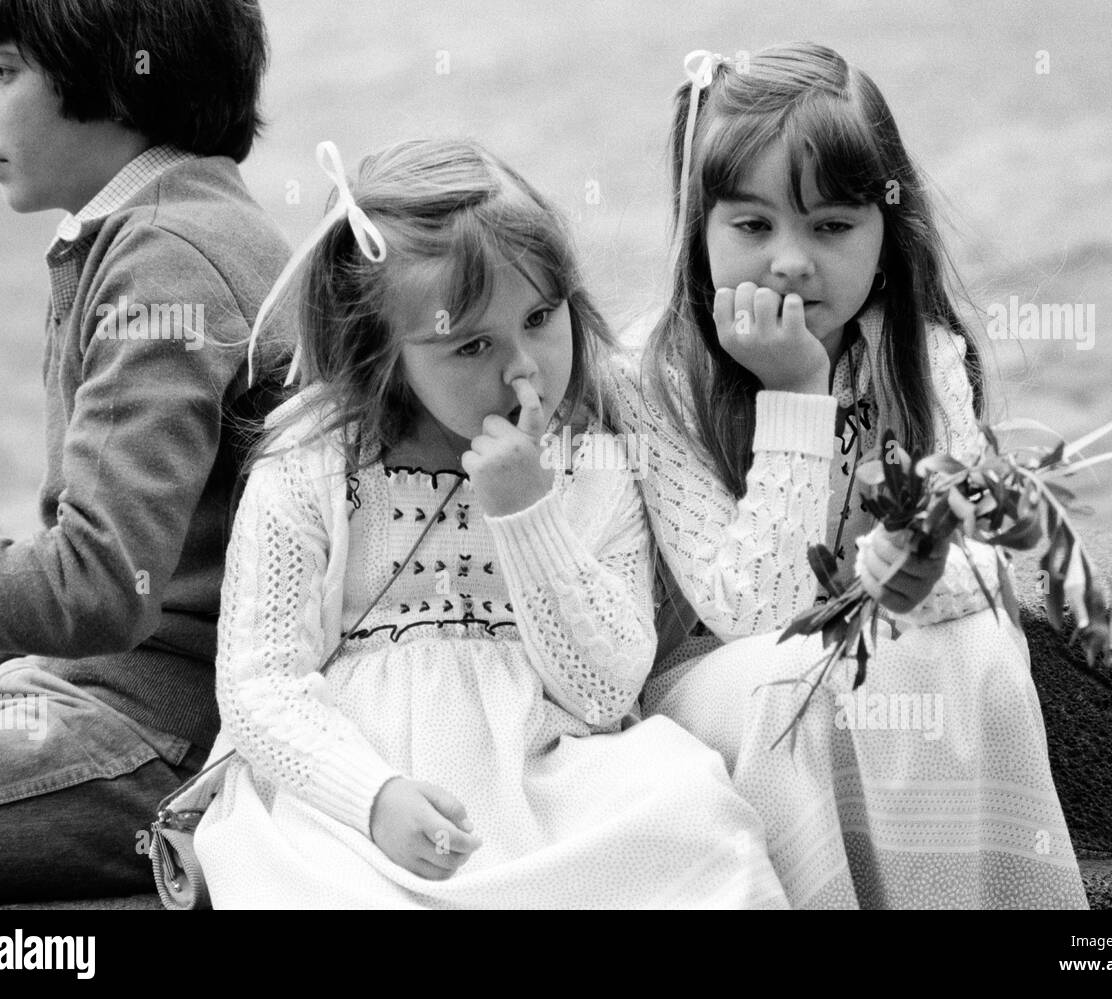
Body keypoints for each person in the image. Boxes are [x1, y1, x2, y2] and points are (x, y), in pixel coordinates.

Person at [190, 138, 787, 909]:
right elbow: (258, 683)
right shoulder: (310, 465)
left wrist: (529, 513)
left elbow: (605, 692)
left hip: (548, 768)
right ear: (381, 354)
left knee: (691, 824)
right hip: (355, 790)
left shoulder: (589, 462)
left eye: (541, 316)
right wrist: (371, 796)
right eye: (471, 344)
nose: (525, 368)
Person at [610, 42, 1088, 909]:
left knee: (973, 649)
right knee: (798, 681)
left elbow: (978, 564)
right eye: (752, 226)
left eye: (831, 226)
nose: (790, 260)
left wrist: (926, 559)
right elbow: (754, 616)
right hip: (720, 688)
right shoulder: (656, 379)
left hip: (875, 659)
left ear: (885, 229)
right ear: (697, 230)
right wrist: (795, 394)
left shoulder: (916, 355)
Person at [0, 0, 292, 903]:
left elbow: (100, 586)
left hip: (158, 737)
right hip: (105, 694)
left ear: (115, 75)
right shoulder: (161, 224)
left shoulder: (166, 258)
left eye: (3, 69)